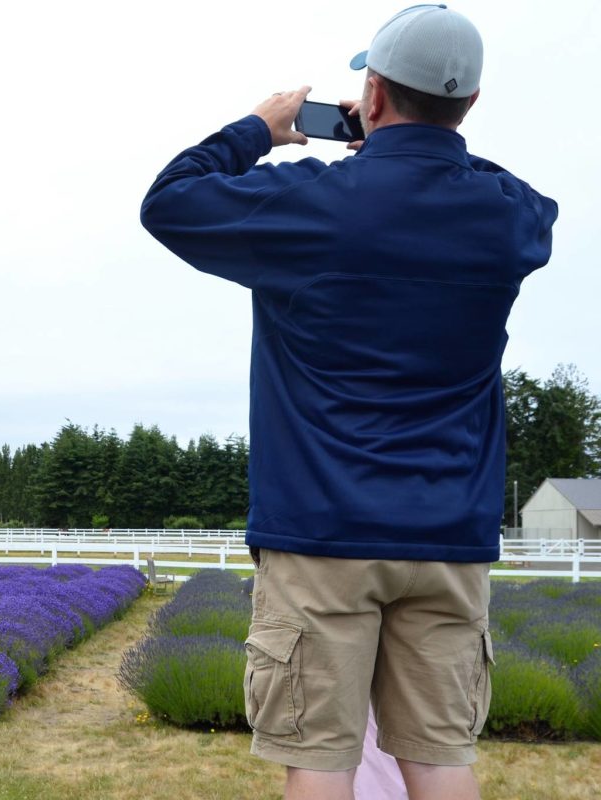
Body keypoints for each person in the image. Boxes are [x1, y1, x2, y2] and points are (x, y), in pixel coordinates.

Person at [140, 6, 556, 800]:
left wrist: (258, 129)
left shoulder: (312, 202)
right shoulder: (507, 221)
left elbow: (171, 202)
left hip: (321, 533)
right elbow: (527, 201)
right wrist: (423, 145)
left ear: (370, 93)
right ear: (470, 103)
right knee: (439, 758)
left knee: (320, 760)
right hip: (449, 537)